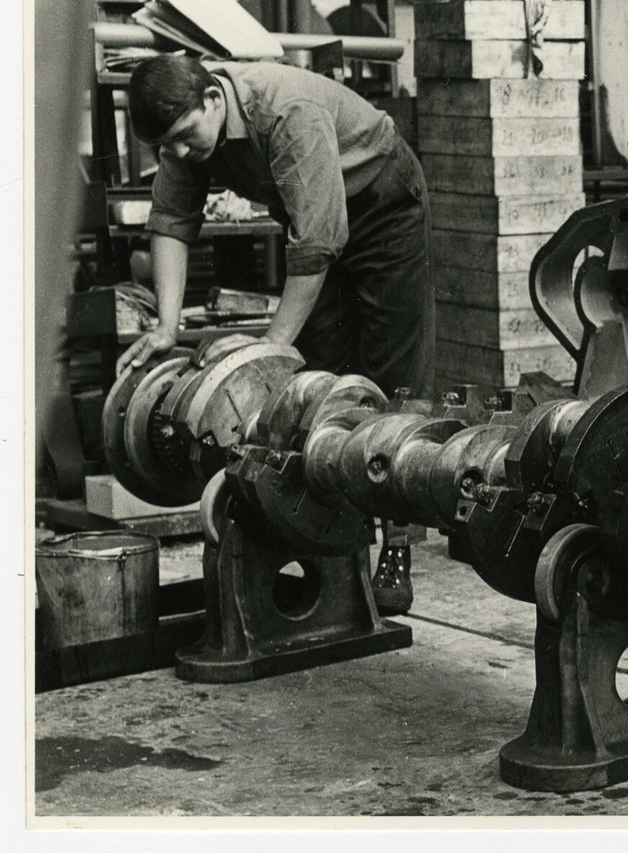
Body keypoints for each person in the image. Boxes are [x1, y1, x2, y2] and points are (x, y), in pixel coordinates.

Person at [116, 52, 434, 612]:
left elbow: (316, 247)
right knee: (318, 383)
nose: (180, 154)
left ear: (212, 99)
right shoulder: (184, 133)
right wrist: (167, 327)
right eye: (167, 146)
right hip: (315, 218)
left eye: (187, 138)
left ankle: (398, 541)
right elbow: (170, 222)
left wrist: (268, 348)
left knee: (391, 375)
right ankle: (341, 542)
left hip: (382, 203)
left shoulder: (286, 112)